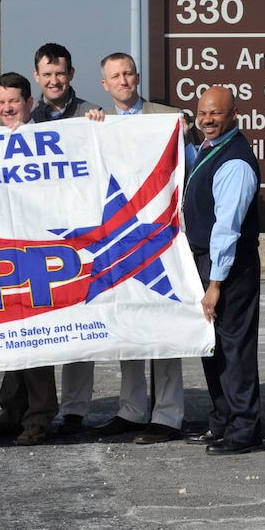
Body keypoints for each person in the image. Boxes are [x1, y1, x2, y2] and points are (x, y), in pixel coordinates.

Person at [85, 52, 189, 444]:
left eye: (128, 73)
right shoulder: (99, 123)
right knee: (128, 325)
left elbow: (187, 167)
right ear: (105, 85)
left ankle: (168, 415)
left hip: (160, 235)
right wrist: (91, 129)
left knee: (163, 326)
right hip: (119, 238)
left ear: (137, 76)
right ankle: (131, 411)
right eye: (116, 76)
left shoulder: (167, 118)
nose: (124, 81)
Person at [183, 86, 265, 455]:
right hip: (206, 263)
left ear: (234, 115)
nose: (207, 120)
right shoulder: (207, 149)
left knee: (235, 350)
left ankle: (244, 431)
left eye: (216, 114)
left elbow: (227, 229)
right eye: (202, 113)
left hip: (230, 268)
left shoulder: (235, 162)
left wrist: (215, 283)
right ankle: (223, 419)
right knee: (212, 347)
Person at [0, 72, 59, 446]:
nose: (7, 109)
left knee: (37, 335)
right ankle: (13, 409)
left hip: (39, 251)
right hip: (0, 252)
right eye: (0, 103)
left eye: (13, 102)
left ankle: (40, 416)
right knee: (9, 333)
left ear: (30, 102)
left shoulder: (49, 138)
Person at [28, 43, 100, 436]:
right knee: (36, 322)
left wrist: (102, 126)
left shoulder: (91, 114)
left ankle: (75, 409)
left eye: (60, 73)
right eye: (47, 74)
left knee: (79, 324)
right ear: (37, 77)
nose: (54, 80)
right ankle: (34, 408)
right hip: (36, 235)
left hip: (80, 235)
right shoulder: (27, 116)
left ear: (71, 74)